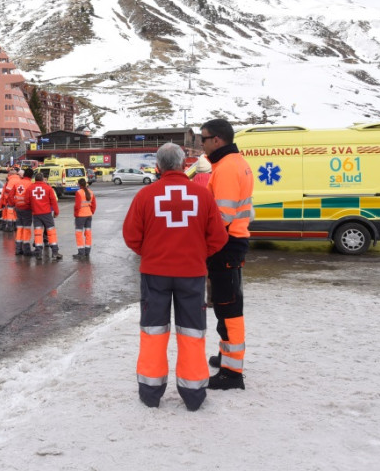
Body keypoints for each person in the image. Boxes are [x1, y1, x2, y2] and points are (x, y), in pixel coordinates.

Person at [122, 143, 227, 411]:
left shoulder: (146, 195)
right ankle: (193, 395)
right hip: (192, 275)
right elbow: (219, 237)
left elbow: (131, 236)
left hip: (154, 274)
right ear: (183, 164)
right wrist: (198, 254)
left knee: (153, 332)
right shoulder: (202, 195)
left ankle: (150, 392)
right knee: (192, 332)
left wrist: (151, 253)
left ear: (158, 167)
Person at [200, 118, 254, 390]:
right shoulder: (234, 164)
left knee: (228, 308)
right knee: (226, 305)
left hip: (226, 245)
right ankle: (226, 357)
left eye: (204, 139)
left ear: (217, 140)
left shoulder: (227, 168)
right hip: (232, 243)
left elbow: (221, 217)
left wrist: (202, 242)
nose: (202, 145)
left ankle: (231, 374)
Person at [27, 172, 62, 261]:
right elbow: (53, 201)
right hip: (47, 214)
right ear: (43, 179)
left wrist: (32, 209)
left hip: (36, 214)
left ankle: (38, 253)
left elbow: (27, 201)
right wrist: (56, 212)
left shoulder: (30, 188)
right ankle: (54, 252)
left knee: (38, 234)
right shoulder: (48, 188)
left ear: (35, 179)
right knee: (51, 233)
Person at [10, 167, 35, 256]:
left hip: (18, 208)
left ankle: (18, 249)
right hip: (27, 209)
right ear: (31, 176)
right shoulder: (31, 185)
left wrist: (14, 203)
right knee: (27, 229)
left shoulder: (17, 183)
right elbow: (33, 198)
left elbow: (10, 195)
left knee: (19, 229)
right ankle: (26, 250)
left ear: (23, 175)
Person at [73, 177, 96, 260]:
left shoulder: (79, 192)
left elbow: (77, 206)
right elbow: (93, 205)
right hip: (89, 215)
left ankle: (81, 252)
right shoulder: (91, 192)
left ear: (79, 184)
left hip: (80, 216)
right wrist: (91, 212)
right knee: (88, 233)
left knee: (79, 234)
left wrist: (76, 214)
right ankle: (87, 251)